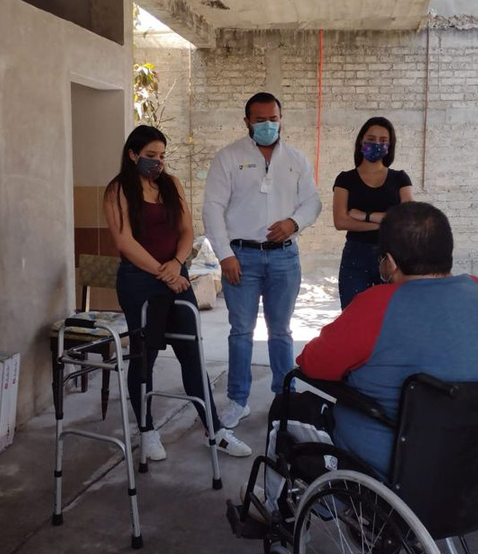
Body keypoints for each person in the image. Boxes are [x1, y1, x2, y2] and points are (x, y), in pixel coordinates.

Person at [296, 202, 478, 480]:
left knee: (291, 405)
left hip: (398, 464)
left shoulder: (376, 304)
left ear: (389, 262)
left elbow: (312, 363)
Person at [104, 125, 251, 461]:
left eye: (161, 156)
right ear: (133, 154)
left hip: (176, 276)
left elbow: (187, 230)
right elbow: (124, 241)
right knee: (144, 356)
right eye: (150, 155)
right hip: (139, 281)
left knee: (191, 353)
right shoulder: (118, 189)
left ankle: (215, 430)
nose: (157, 162)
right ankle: (147, 430)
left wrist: (176, 264)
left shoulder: (171, 184)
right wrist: (163, 272)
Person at [202, 92, 322, 429]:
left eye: (273, 119)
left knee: (281, 331)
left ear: (281, 119)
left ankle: (285, 399)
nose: (268, 125)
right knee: (241, 331)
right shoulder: (229, 157)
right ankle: (237, 400)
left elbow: (312, 202)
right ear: (247, 122)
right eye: (260, 120)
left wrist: (294, 223)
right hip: (241, 258)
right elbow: (212, 207)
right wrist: (225, 255)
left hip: (284, 258)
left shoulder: (295, 159)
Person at [332, 117, 413, 308]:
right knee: (354, 315)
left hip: (392, 256)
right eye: (371, 139)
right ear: (361, 141)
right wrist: (387, 222)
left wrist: (365, 216)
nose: (377, 144)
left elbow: (408, 218)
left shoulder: (400, 178)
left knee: (389, 315)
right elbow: (340, 221)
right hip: (355, 255)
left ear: (390, 146)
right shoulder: (345, 179)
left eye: (383, 141)